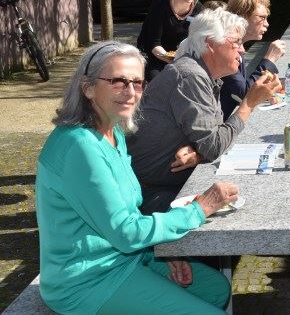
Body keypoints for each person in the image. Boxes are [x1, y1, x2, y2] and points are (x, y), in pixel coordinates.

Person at [35, 41, 238, 314]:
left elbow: (127, 215)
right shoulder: (79, 146)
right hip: (87, 282)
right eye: (118, 82)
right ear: (88, 88)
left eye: (138, 83)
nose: (130, 92)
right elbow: (126, 232)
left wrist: (158, 249)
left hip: (124, 259)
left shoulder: (114, 131)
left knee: (216, 289)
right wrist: (200, 209)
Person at [128, 8, 281, 214]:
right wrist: (249, 103)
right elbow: (214, 146)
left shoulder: (201, 73)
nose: (242, 50)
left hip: (169, 185)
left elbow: (210, 141)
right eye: (236, 42)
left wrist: (198, 153)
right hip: (154, 197)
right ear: (210, 43)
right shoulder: (190, 76)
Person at [220, 0, 286, 119]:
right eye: (262, 17)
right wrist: (269, 59)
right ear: (243, 16)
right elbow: (244, 93)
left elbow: (239, 88)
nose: (267, 24)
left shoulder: (237, 45)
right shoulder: (224, 46)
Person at [137, 0, 206, 81]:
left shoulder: (198, 9)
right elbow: (154, 44)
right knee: (160, 81)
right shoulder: (160, 5)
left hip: (184, 60)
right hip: (156, 58)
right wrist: (175, 61)